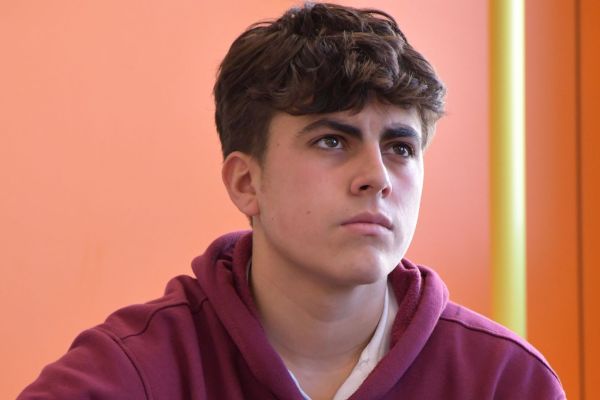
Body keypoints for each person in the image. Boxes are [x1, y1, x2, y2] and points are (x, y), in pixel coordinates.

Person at [18, 3, 565, 399]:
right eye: (332, 141)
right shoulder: (136, 371)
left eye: (400, 148)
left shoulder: (504, 381)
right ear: (245, 183)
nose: (376, 177)